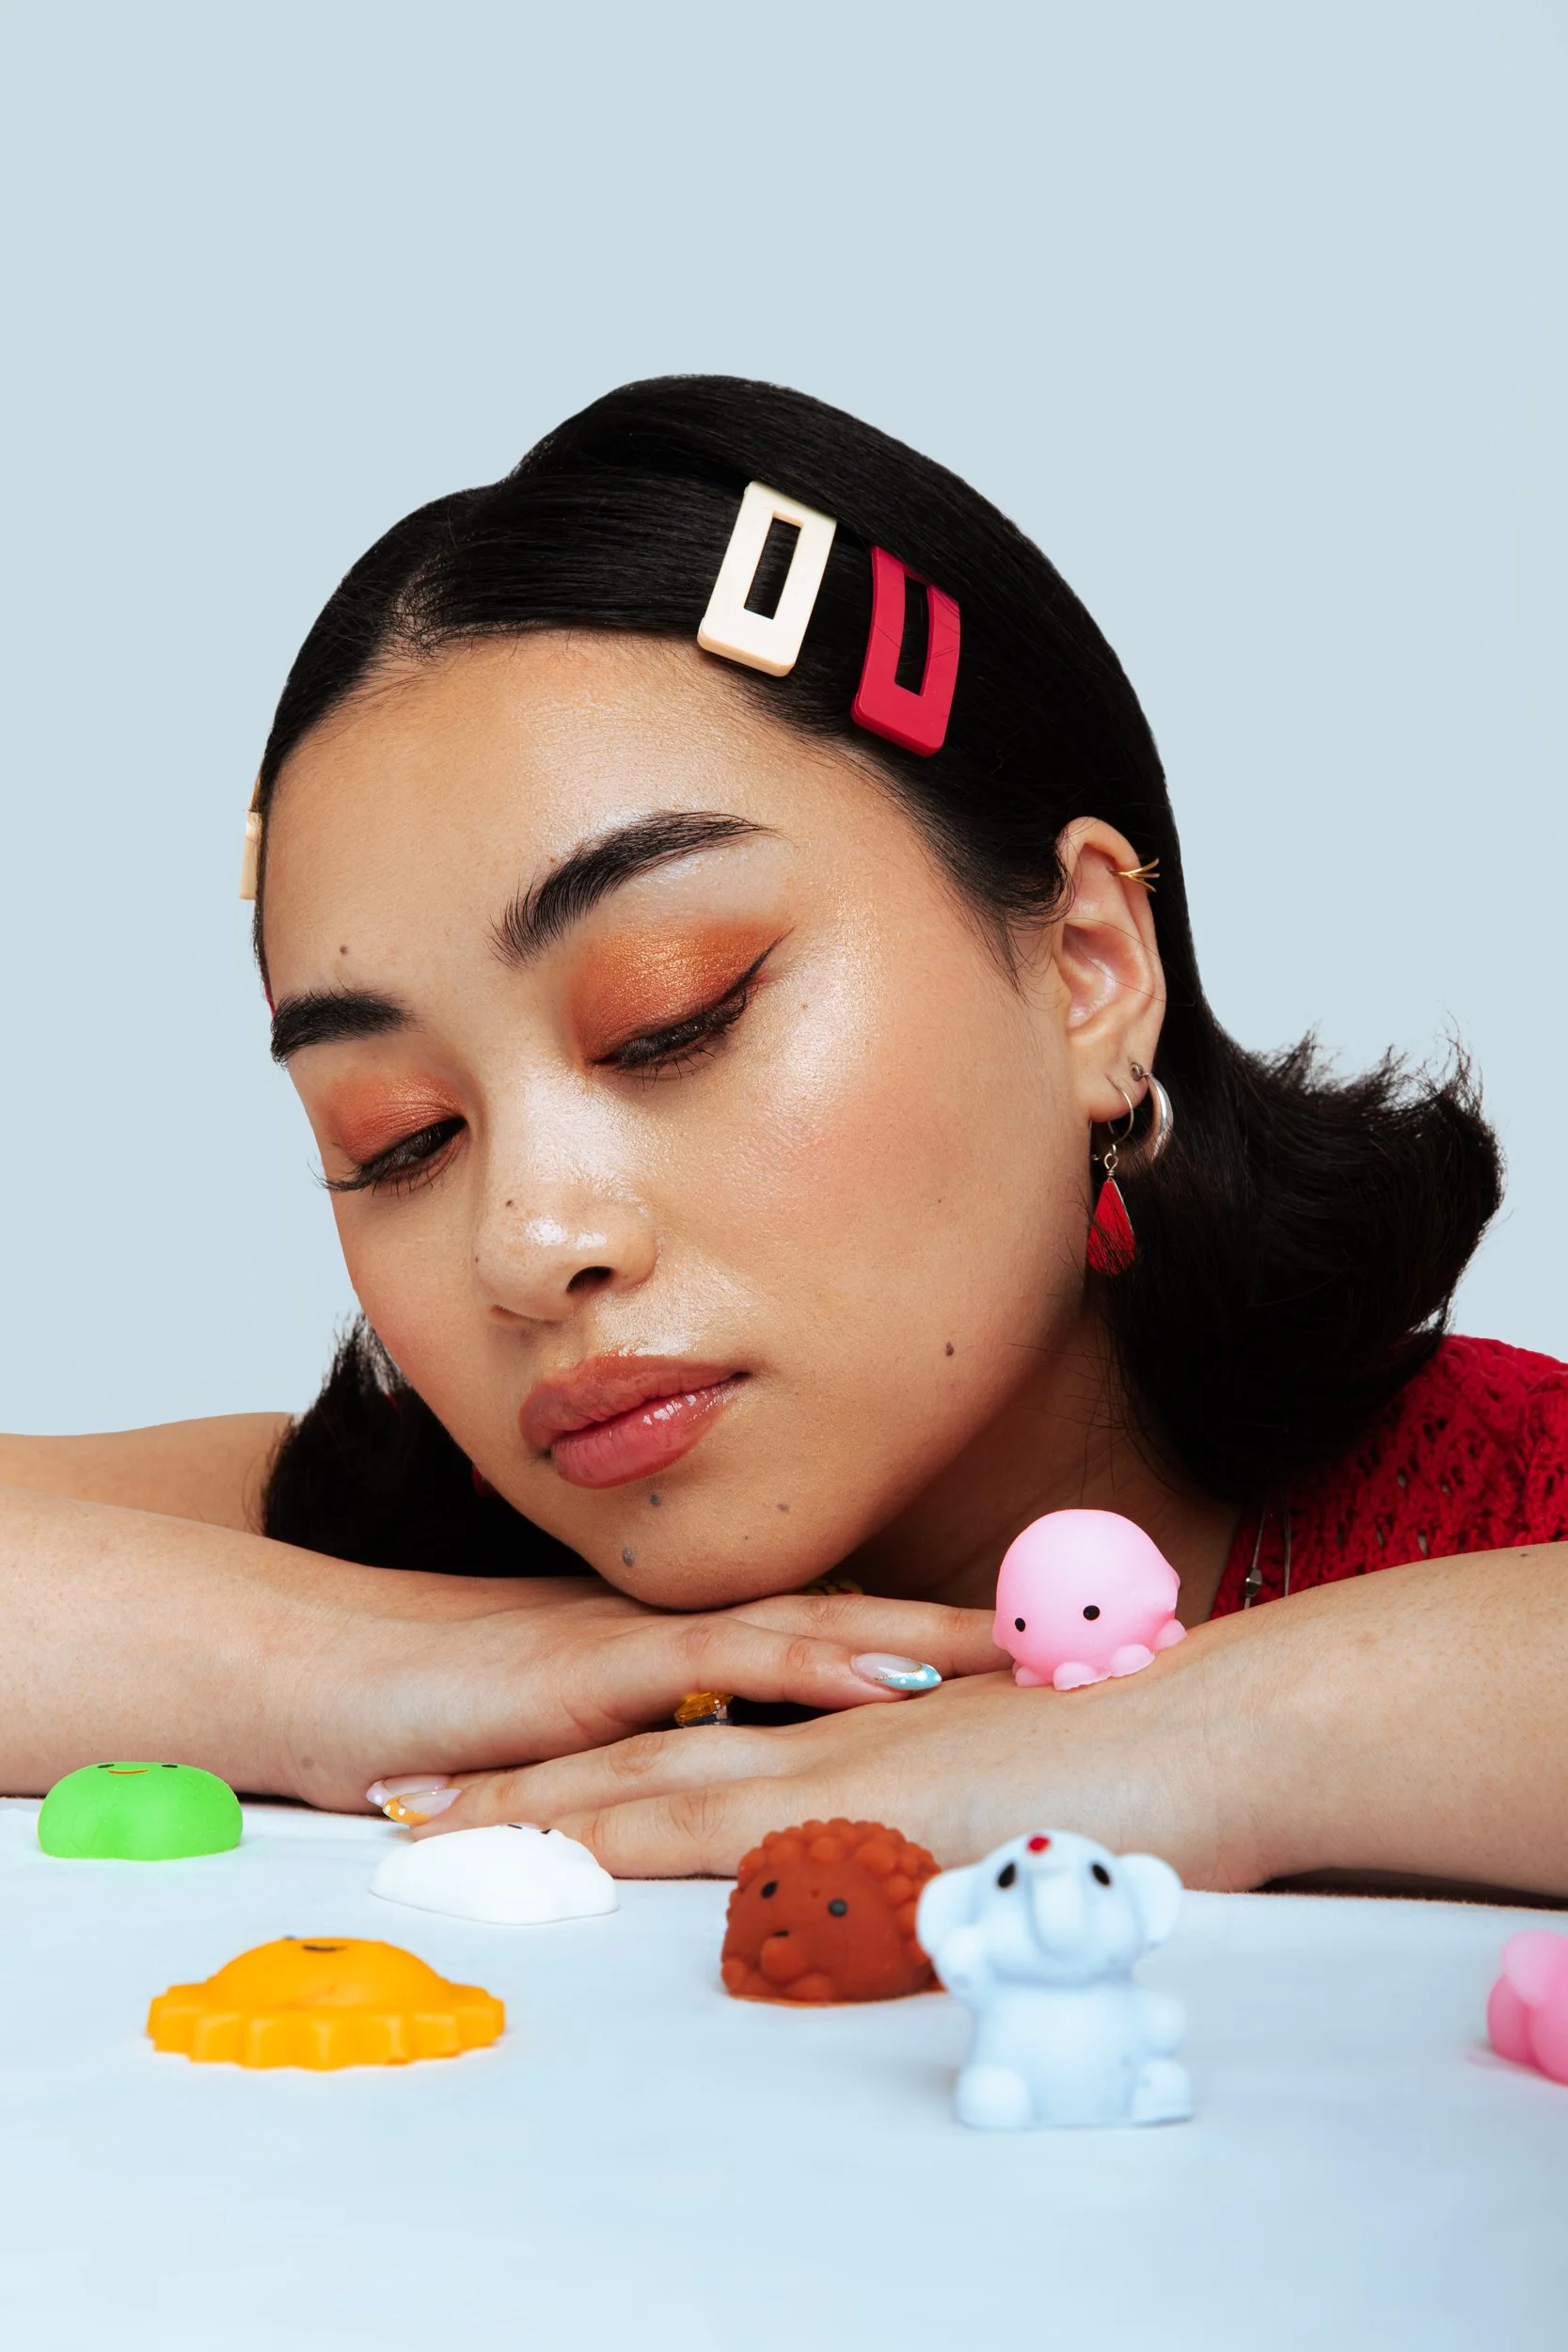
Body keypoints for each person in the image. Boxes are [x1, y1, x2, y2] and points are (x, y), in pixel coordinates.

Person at [4, 377, 1564, 1899]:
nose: (529, 1245)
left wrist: (1202, 1739)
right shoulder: (429, 1543)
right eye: (399, 1138)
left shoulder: (1505, 1506)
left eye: (670, 1019)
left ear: (1086, 966)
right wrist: (374, 1658)